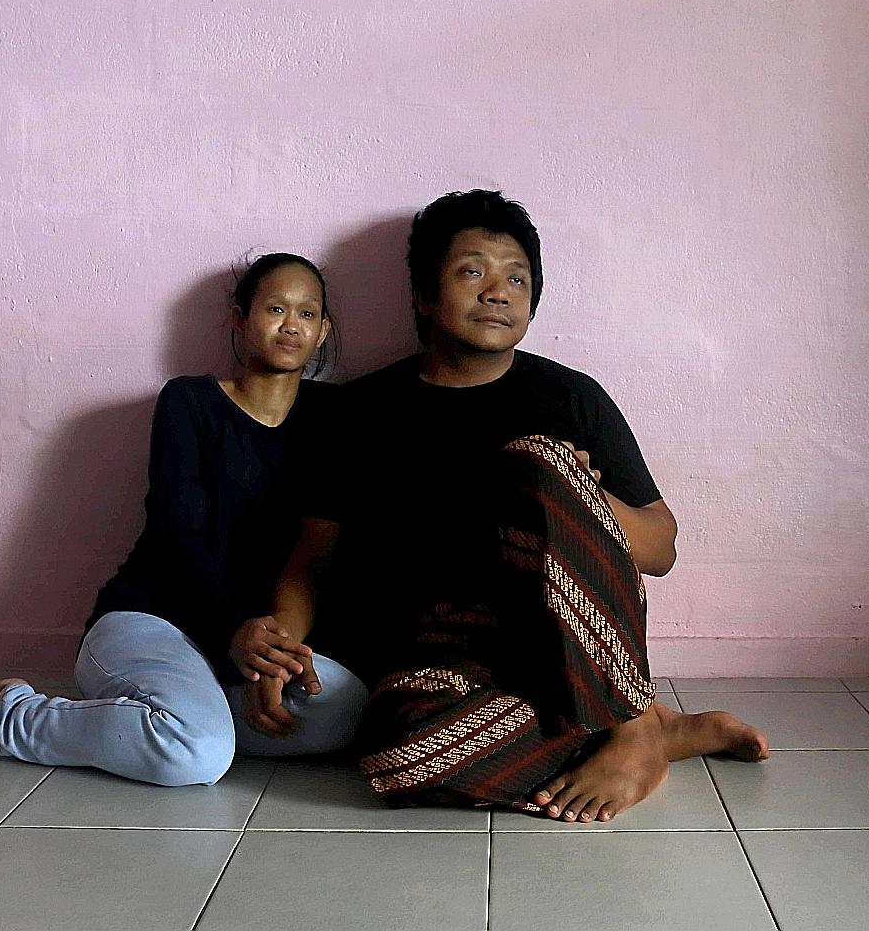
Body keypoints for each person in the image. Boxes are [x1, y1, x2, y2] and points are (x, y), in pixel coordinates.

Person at [267, 191, 768, 822]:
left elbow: (660, 549)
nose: (497, 292)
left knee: (540, 461)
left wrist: (578, 493)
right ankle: (647, 729)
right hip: (436, 661)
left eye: (516, 278)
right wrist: (280, 644)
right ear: (424, 296)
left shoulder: (570, 397)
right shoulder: (358, 412)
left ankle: (633, 730)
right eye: (471, 271)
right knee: (395, 759)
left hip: (556, 649)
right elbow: (311, 561)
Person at [0, 253, 368, 786]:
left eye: (307, 313)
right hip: (155, 619)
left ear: (322, 331)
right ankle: (4, 712)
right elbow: (178, 538)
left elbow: (311, 555)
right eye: (275, 308)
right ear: (240, 319)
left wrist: (274, 657)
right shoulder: (189, 401)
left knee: (348, 711)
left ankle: (184, 720)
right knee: (195, 756)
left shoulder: (333, 415)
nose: (291, 324)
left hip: (249, 640)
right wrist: (233, 630)